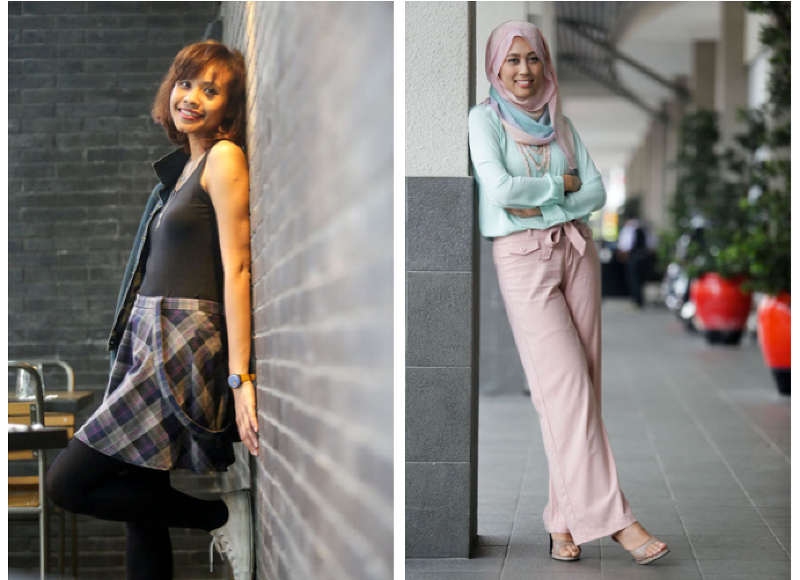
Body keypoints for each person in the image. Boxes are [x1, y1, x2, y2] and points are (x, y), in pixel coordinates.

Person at [46, 41, 257, 580]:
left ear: (228, 108)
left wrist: (240, 377)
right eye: (186, 83)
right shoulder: (183, 169)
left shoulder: (223, 157)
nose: (192, 97)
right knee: (142, 505)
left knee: (67, 483)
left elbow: (237, 270)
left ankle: (219, 513)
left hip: (183, 338)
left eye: (211, 90)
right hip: (148, 334)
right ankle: (214, 515)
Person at [468, 21, 669, 565]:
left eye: (533, 59)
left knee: (584, 391)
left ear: (545, 63)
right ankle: (618, 520)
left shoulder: (562, 122)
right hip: (523, 262)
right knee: (565, 392)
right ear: (495, 66)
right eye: (512, 60)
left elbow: (599, 190)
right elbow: (502, 191)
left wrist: (549, 203)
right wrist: (564, 186)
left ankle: (562, 521)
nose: (524, 71)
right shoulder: (483, 121)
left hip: (577, 254)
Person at [617, 202, 658, 308]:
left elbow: (625, 246)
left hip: (633, 257)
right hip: (645, 256)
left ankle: (637, 300)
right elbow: (652, 244)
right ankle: (641, 299)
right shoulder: (645, 227)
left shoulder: (628, 229)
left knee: (634, 279)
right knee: (642, 279)